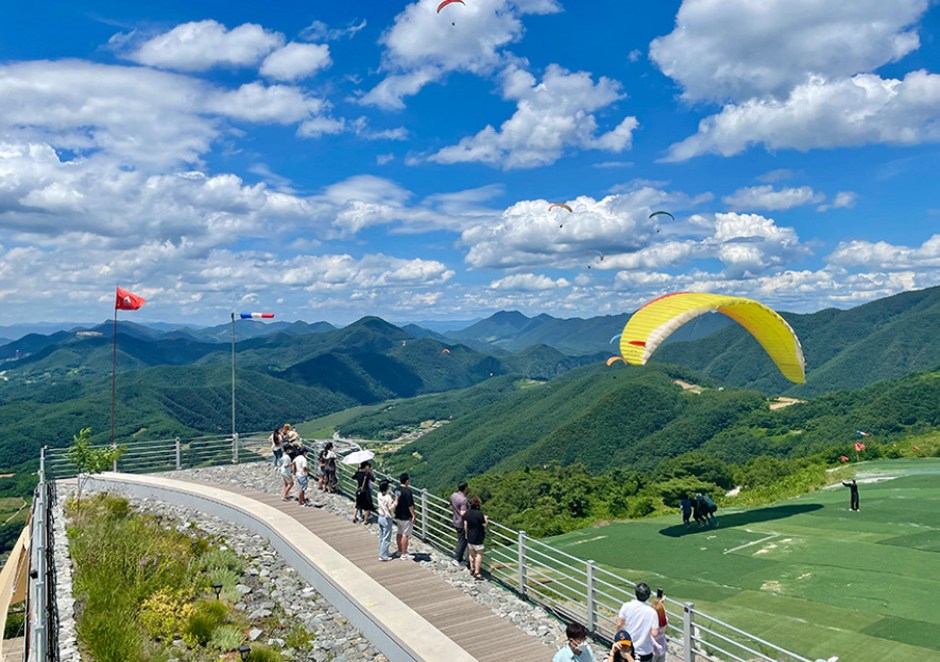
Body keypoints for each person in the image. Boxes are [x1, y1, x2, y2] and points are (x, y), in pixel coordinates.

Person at [614, 583, 661, 662]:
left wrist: (619, 640)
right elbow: (654, 633)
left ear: (635, 593)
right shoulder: (652, 612)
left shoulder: (626, 606)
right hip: (645, 650)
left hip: (628, 648)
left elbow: (619, 625)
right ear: (648, 596)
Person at [463, 495, 488, 580]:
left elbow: (465, 524)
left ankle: (472, 568)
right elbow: (484, 525)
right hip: (478, 537)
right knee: (479, 554)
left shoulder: (467, 513)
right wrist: (486, 519)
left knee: (471, 553)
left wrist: (466, 534)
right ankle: (477, 572)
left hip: (470, 536)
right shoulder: (479, 514)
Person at [394, 473, 416, 560]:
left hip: (398, 514)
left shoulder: (396, 489)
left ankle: (399, 550)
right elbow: (410, 505)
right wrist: (413, 515)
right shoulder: (408, 491)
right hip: (406, 515)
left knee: (399, 532)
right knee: (405, 535)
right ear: (407, 481)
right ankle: (404, 554)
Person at [449, 481, 469, 568]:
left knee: (460, 540)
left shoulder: (453, 495)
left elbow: (451, 505)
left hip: (455, 520)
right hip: (461, 523)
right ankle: (457, 559)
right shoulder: (463, 500)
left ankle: (459, 558)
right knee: (462, 541)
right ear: (465, 488)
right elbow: (463, 513)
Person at [376, 479, 396, 561]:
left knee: (381, 536)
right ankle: (383, 555)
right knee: (387, 537)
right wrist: (396, 501)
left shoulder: (379, 494)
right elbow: (391, 508)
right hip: (386, 518)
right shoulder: (388, 498)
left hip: (380, 516)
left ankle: (384, 552)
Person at [651, 592, 668, 662]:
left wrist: (659, 602)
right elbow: (663, 612)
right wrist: (661, 602)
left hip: (652, 649)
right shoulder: (665, 621)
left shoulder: (650, 623)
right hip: (662, 647)